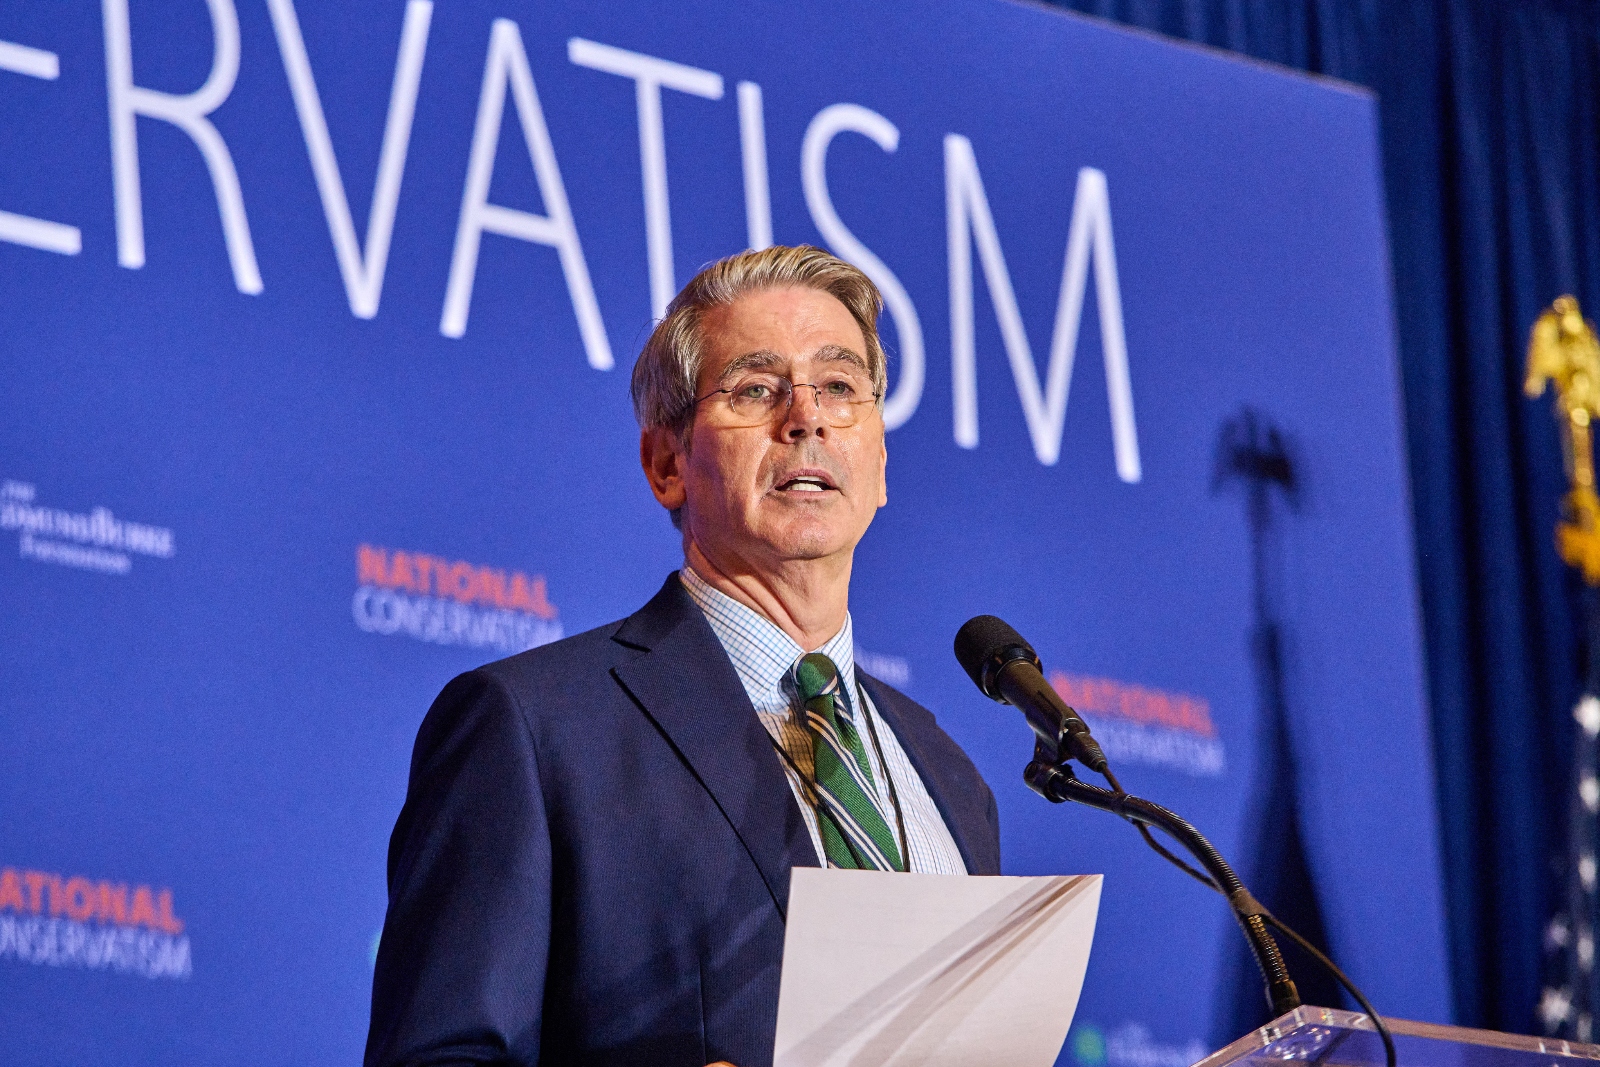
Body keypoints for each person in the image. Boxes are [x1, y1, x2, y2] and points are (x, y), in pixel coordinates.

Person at [364, 245, 1001, 1067]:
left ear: (880, 461)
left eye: (841, 387)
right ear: (667, 464)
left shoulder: (952, 782)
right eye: (756, 389)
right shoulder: (536, 728)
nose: (806, 416)